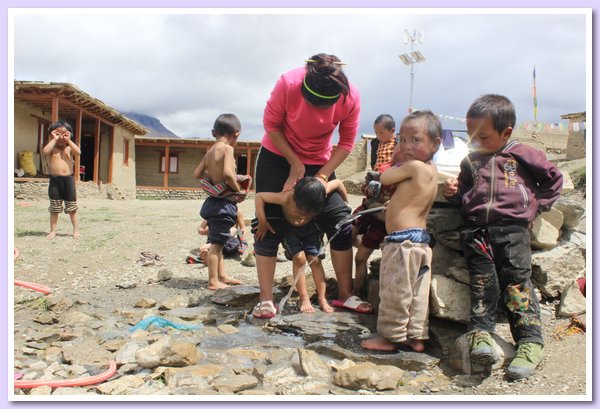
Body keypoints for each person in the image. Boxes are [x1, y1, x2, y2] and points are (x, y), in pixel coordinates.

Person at [442, 94, 563, 380]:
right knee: (482, 283)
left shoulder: (521, 152)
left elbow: (553, 179)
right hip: (476, 231)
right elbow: (466, 194)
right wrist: (455, 193)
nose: (476, 142)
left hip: (512, 230)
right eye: (472, 136)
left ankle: (530, 342)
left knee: (517, 285)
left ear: (505, 132)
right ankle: (481, 335)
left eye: (483, 136)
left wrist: (535, 207)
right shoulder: (470, 160)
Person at [254, 52, 371, 315]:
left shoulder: (351, 96)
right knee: (269, 223)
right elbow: (271, 125)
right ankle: (265, 299)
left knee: (340, 221)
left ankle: (345, 294)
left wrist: (323, 175)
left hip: (321, 161)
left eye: (324, 106)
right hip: (278, 155)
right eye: (313, 103)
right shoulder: (288, 83)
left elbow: (346, 143)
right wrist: (294, 161)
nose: (318, 111)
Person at [361, 110, 441, 353]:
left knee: (395, 291)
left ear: (435, 144)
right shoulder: (430, 170)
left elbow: (386, 177)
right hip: (420, 243)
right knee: (416, 293)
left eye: (414, 140)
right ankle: (416, 336)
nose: (406, 146)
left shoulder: (412, 167)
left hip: (401, 243)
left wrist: (396, 157)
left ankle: (389, 336)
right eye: (403, 140)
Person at [253, 176, 349, 317]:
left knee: (315, 259)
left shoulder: (320, 192)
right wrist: (262, 220)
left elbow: (339, 183)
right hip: (290, 231)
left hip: (312, 229)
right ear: (296, 200)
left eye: (309, 214)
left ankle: (322, 298)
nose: (303, 217)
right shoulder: (286, 197)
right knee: (299, 259)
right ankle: (304, 299)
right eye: (301, 212)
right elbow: (259, 197)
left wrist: (346, 203)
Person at [193, 113, 250, 290]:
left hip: (212, 202)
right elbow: (227, 173)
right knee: (216, 245)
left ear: (213, 132)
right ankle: (213, 281)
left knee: (219, 241)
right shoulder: (227, 149)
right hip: (223, 204)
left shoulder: (210, 152)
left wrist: (212, 177)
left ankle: (222, 276)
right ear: (237, 133)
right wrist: (237, 188)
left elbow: (196, 174)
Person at [42, 120, 82, 239]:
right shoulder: (52, 149)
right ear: (52, 134)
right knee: (54, 208)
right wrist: (54, 139)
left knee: (72, 208)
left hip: (68, 181)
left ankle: (75, 230)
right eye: (57, 134)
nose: (61, 137)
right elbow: (44, 152)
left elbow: (78, 152)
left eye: (64, 134)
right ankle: (53, 231)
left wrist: (68, 140)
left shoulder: (69, 148)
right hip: (55, 180)